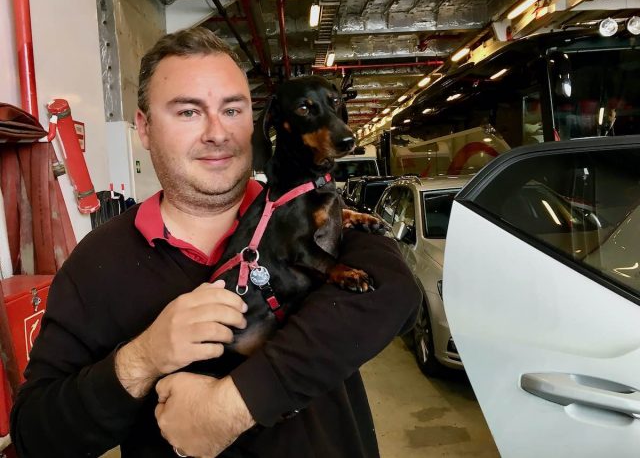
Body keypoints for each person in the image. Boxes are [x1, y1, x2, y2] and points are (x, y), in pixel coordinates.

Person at [10, 27, 420, 458]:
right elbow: (35, 436)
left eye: (232, 110)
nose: (217, 133)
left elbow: (397, 298)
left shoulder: (314, 211)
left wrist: (235, 403)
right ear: (145, 129)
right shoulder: (96, 263)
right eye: (188, 112)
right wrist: (145, 356)